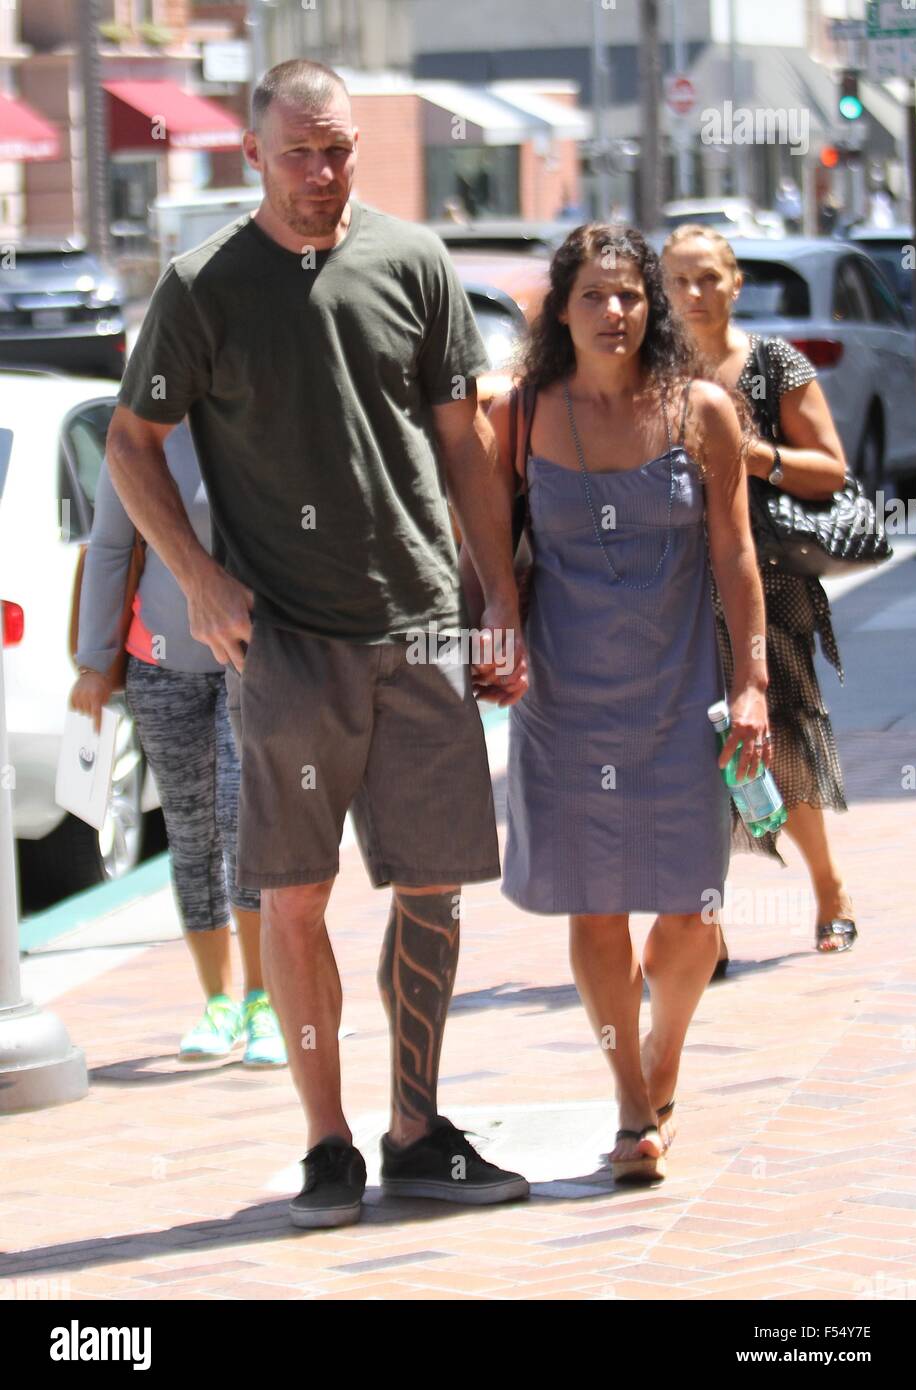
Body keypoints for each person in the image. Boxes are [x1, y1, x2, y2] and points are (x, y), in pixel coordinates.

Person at [104, 58, 530, 1229]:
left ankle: (415, 1129)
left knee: (434, 887)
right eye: (298, 151)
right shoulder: (203, 287)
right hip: (285, 644)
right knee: (296, 897)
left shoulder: (413, 261)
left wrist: (499, 593)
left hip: (421, 626)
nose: (320, 172)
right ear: (253, 155)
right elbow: (129, 443)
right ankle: (327, 1143)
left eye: (337, 149)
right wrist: (194, 576)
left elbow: (464, 444)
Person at [463, 224, 770, 1182]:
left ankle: (660, 1060)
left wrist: (753, 682)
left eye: (631, 294)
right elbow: (486, 546)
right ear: (559, 308)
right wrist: (496, 621)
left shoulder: (701, 411)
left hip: (680, 690)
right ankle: (633, 1108)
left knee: (692, 905)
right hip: (564, 696)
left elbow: (733, 555)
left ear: (655, 307)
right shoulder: (519, 413)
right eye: (593, 295)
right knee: (595, 907)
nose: (615, 312)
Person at [662, 224, 855, 959]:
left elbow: (829, 470)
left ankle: (829, 887)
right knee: (687, 756)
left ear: (734, 282)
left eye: (708, 277)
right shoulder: (653, 373)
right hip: (679, 586)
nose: (694, 293)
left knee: (779, 744)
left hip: (767, 581)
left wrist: (749, 455)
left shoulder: (775, 363)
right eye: (678, 281)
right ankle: (703, 930)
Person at [70, 422, 287, 1067]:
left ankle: (263, 998)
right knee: (191, 833)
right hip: (158, 667)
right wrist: (92, 662)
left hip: (248, 659)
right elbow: (110, 548)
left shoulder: (254, 410)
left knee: (240, 817)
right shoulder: (135, 436)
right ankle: (218, 1002)